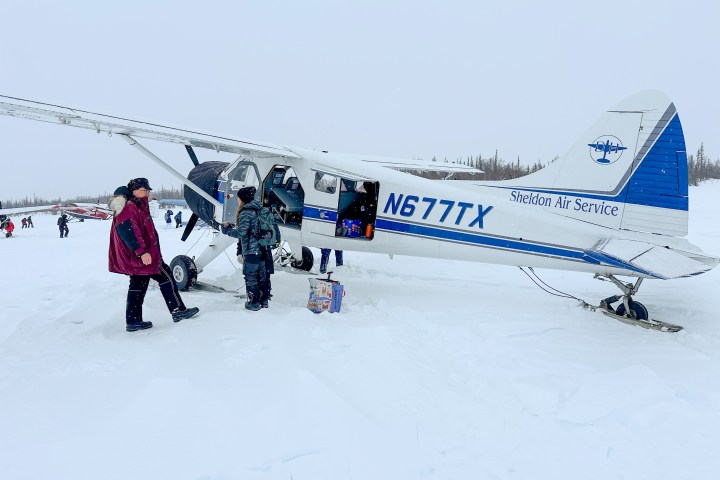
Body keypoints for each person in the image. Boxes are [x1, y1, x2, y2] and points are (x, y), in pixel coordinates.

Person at [108, 179, 199, 332]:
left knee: (138, 285)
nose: (148, 193)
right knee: (166, 278)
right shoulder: (130, 207)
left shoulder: (136, 205)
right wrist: (141, 252)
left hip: (140, 256)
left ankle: (133, 320)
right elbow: (128, 231)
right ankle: (178, 311)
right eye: (145, 190)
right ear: (135, 190)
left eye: (148, 191)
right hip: (144, 256)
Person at [222, 186, 269, 311]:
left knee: (251, 276)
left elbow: (241, 233)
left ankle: (254, 303)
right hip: (263, 249)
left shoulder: (246, 212)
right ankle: (264, 301)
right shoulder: (259, 209)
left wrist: (227, 230)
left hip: (251, 250)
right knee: (262, 277)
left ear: (242, 199)